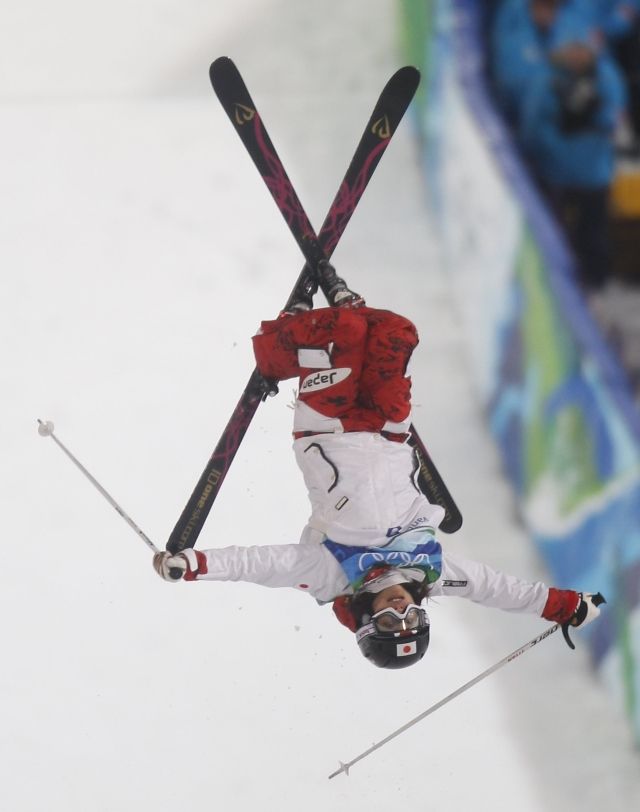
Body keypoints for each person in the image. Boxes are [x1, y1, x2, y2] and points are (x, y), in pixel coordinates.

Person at [153, 262, 605, 669]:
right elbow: (498, 590)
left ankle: (282, 344)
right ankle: (341, 318)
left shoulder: (331, 575)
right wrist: (562, 605)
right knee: (398, 331)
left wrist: (193, 565)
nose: (400, 609)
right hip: (388, 429)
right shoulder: (434, 570)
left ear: (369, 622)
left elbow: (262, 565)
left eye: (390, 621)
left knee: (344, 333)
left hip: (327, 427)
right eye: (412, 617)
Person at [519, 33, 627, 290]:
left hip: (593, 174)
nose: (578, 56)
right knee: (557, 235)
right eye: (573, 49)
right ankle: (560, 288)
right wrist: (556, 150)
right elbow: (534, 126)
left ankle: (595, 288)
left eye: (583, 50)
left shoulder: (605, 76)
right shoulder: (546, 78)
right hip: (558, 174)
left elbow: (614, 119)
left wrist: (595, 114)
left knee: (593, 236)